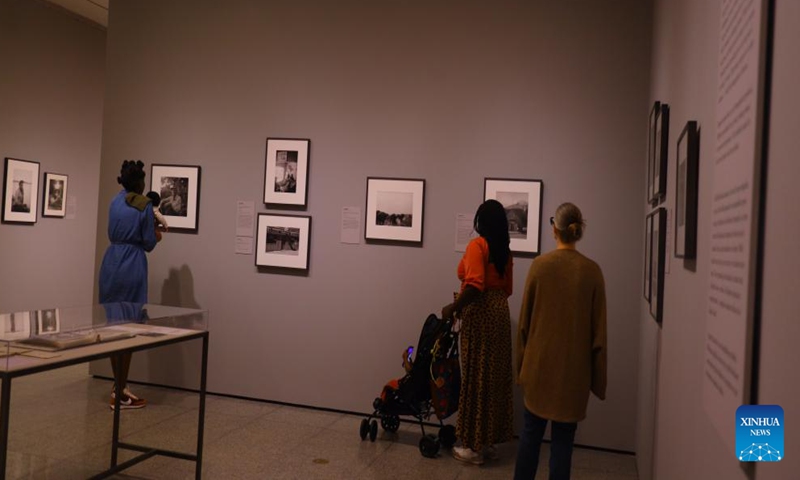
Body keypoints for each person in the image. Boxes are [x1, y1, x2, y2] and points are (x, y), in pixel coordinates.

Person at [513, 202, 607, 480]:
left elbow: (524, 326)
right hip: (573, 376)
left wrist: (521, 368)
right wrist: (598, 382)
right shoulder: (592, 272)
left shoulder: (540, 267)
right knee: (563, 443)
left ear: (554, 228)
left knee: (530, 437)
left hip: (538, 369)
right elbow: (599, 335)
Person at [442, 199, 514, 465]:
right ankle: (488, 441)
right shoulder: (505, 250)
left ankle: (472, 447)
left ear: (480, 222)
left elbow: (474, 285)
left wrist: (453, 307)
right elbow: (507, 289)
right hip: (499, 313)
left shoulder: (477, 246)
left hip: (481, 314)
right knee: (493, 377)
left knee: (475, 376)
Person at [99, 160, 161, 410]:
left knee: (115, 329)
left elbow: (111, 231)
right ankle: (120, 390)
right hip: (132, 264)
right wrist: (156, 234)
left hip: (111, 263)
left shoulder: (114, 201)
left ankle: (118, 386)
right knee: (130, 328)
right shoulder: (144, 205)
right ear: (139, 183)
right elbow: (148, 242)